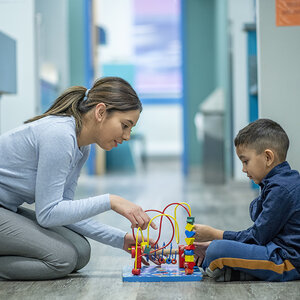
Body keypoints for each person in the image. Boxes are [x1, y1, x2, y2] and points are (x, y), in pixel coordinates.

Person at [0, 76, 157, 280]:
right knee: (62, 259)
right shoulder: (59, 135)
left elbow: (62, 209)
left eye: (130, 129)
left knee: (81, 252)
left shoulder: (82, 147)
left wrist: (122, 240)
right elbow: (48, 214)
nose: (127, 136)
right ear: (101, 112)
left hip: (6, 209)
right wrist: (111, 201)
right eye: (124, 125)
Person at [193, 119, 300, 282]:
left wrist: (215, 235)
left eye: (245, 161)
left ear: (268, 157)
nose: (243, 169)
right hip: (274, 249)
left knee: (216, 249)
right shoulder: (277, 183)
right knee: (215, 248)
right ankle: (239, 273)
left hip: (288, 261)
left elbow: (256, 238)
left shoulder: (281, 189)